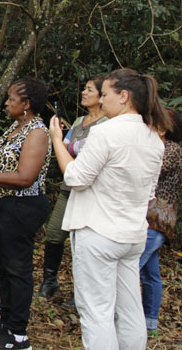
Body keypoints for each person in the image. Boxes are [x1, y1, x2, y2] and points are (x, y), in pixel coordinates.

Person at [48, 68, 168, 350]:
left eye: (105, 95)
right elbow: (150, 194)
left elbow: (76, 178)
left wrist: (56, 139)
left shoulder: (105, 132)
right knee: (130, 309)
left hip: (98, 232)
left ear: (123, 96)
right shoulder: (153, 138)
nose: (100, 101)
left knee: (96, 312)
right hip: (133, 235)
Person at [0, 76, 52, 350]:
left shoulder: (37, 133)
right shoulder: (15, 129)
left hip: (23, 207)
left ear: (26, 104)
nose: (6, 103)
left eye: (11, 99)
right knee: (4, 267)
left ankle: (18, 334)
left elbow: (25, 177)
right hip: (6, 206)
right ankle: (5, 324)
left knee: (17, 270)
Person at [38, 75, 107, 301]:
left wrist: (66, 147)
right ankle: (50, 282)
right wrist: (60, 141)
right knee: (54, 234)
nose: (83, 93)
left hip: (91, 193)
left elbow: (70, 150)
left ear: (101, 96)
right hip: (69, 189)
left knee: (82, 244)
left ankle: (82, 293)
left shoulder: (107, 125)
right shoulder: (78, 122)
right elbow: (63, 150)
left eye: (89, 90)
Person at [139, 109, 182, 337]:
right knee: (150, 273)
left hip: (157, 219)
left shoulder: (172, 151)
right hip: (148, 217)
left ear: (164, 128)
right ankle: (150, 322)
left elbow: (149, 171)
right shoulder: (157, 147)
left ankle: (124, 319)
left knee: (131, 267)